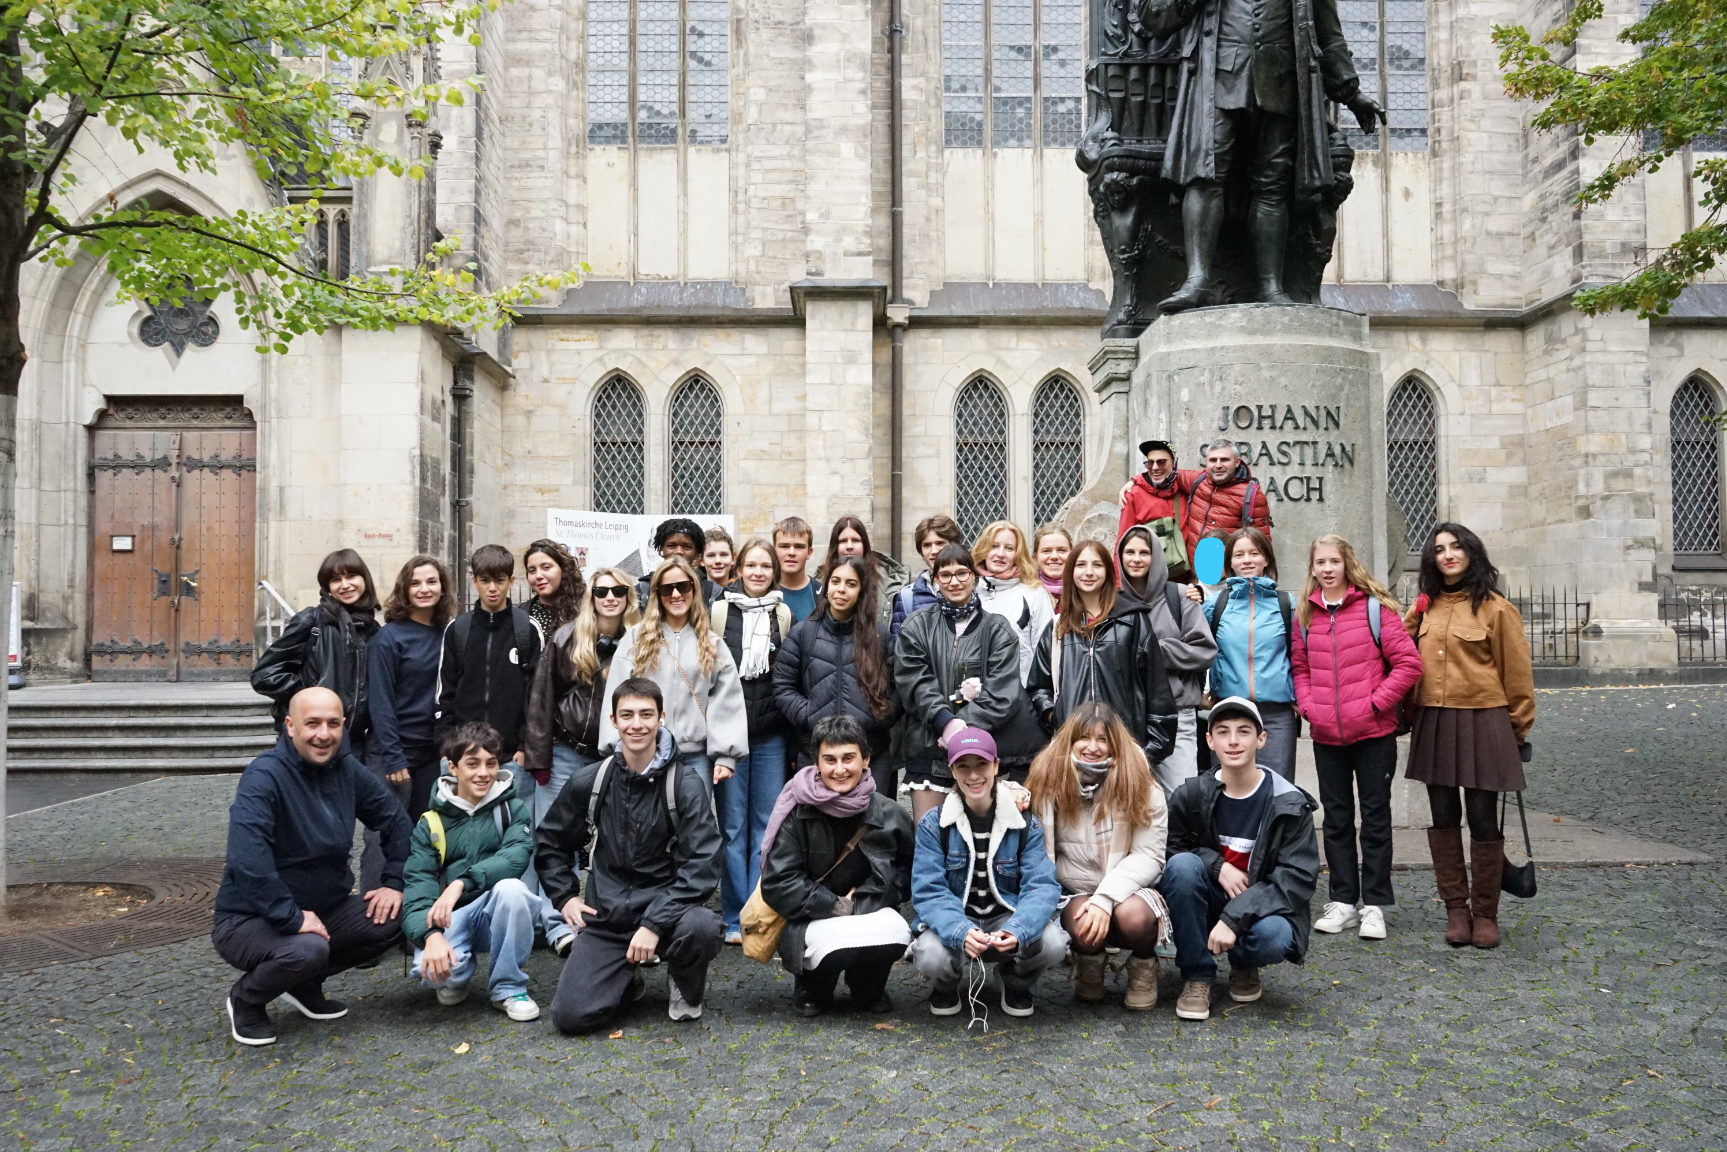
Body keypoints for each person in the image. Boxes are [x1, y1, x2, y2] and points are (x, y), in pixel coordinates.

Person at [212, 687, 410, 1047]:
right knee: (306, 949)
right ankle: (247, 998)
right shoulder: (264, 777)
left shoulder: (348, 770)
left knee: (400, 914)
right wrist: (292, 918)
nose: (324, 734)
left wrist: (393, 881)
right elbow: (247, 860)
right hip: (249, 919)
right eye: (312, 723)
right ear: (290, 726)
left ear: (344, 726)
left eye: (333, 724)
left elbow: (396, 821)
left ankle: (302, 985)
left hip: (325, 909)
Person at [536, 678, 724, 1033]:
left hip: (670, 915)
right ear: (614, 720)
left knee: (703, 927)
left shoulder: (683, 784)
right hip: (608, 916)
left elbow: (703, 863)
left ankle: (684, 984)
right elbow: (550, 841)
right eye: (627, 715)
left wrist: (654, 924)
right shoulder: (590, 781)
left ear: (661, 718)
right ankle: (626, 981)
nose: (636, 724)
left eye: (645, 714)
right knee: (571, 1018)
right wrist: (564, 897)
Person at [1405, 522, 1535, 951]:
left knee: (1482, 819)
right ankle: (1455, 911)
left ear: (1471, 553)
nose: (1448, 554)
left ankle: (1485, 913)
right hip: (1436, 721)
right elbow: (1403, 653)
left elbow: (1517, 678)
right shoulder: (1426, 607)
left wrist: (1517, 732)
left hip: (1484, 721)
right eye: (1439, 549)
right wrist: (1414, 613)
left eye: (1456, 547)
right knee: (1443, 818)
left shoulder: (1497, 609)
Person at [1291, 534, 1422, 942]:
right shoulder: (1305, 615)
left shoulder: (1374, 609)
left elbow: (1407, 664)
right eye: (1320, 562)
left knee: (1376, 819)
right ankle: (1343, 900)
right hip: (1327, 734)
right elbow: (1300, 667)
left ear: (1347, 565)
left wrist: (1374, 705)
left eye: (1334, 561)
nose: (1327, 569)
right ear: (1312, 568)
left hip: (1373, 733)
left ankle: (1375, 905)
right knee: (1336, 819)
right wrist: (1310, 707)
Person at [1158, 697, 1318, 1022]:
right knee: (1183, 867)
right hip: (1207, 900)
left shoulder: (1288, 802)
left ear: (1261, 739)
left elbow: (1296, 878)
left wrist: (1234, 918)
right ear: (1210, 741)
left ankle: (1244, 965)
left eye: (1244, 732)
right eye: (1223, 732)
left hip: (1259, 907)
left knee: (1276, 935)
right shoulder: (1190, 795)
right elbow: (1172, 851)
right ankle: (1197, 975)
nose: (1233, 741)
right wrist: (1217, 866)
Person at [760, 715, 915, 1016]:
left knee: (896, 930)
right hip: (812, 916)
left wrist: (867, 900)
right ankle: (813, 986)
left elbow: (908, 872)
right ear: (816, 763)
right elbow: (778, 882)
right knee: (831, 948)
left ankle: (868, 987)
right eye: (829, 760)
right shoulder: (796, 812)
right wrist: (837, 906)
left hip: (869, 910)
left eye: (848, 758)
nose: (840, 769)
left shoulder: (891, 813)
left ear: (866, 760)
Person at [909, 728, 1065, 1019]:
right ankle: (945, 987)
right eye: (963, 766)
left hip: (1007, 917)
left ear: (996, 766)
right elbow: (927, 891)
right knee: (930, 952)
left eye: (981, 764)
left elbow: (1042, 886)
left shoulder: (1024, 823)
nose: (973, 775)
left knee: (1054, 942)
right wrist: (960, 930)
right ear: (952, 771)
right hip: (957, 918)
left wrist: (1019, 929)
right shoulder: (934, 824)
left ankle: (1015, 981)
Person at [1028, 703, 1169, 1010]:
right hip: (1077, 888)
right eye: (1084, 737)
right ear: (1070, 740)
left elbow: (1149, 856)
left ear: (1114, 744)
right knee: (1081, 922)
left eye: (1102, 739)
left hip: (1128, 889)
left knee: (1135, 918)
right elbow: (1039, 848)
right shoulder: (1047, 779)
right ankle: (1089, 962)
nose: (1092, 747)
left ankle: (1144, 964)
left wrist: (1105, 898)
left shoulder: (1141, 782)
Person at [522, 565, 642, 925]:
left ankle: (607, 912)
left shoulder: (640, 639)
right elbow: (541, 698)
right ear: (591, 597)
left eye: (618, 592)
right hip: (565, 750)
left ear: (628, 597)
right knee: (554, 834)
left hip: (614, 754)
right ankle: (553, 918)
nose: (610, 598)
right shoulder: (566, 637)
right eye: (602, 591)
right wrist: (538, 758)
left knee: (614, 835)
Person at [404, 722, 543, 1022]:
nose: (483, 773)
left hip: (493, 913)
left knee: (514, 890)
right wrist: (430, 936)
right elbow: (417, 885)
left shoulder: (512, 809)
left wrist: (460, 884)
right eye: (472, 764)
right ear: (453, 768)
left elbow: (516, 857)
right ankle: (459, 972)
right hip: (449, 917)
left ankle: (508, 987)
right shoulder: (430, 822)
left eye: (491, 764)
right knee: (438, 977)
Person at [894, 543, 1044, 820]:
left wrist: (963, 732)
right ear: (935, 578)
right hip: (930, 749)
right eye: (946, 575)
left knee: (984, 846)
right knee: (931, 842)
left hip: (981, 753)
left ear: (974, 576)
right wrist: (944, 722)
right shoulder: (916, 626)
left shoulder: (998, 629)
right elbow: (913, 680)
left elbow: (1002, 691)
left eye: (962, 573)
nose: (955, 581)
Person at [710, 537, 795, 944]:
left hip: (769, 735)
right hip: (729, 737)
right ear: (738, 569)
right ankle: (732, 917)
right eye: (752, 565)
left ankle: (758, 916)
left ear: (773, 572)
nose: (758, 572)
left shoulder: (783, 614)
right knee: (732, 828)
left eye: (766, 566)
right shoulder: (719, 611)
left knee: (767, 827)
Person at [1028, 540, 1179, 766]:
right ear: (1071, 572)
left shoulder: (1133, 621)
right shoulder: (1058, 628)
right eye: (1081, 565)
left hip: (1124, 752)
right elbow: (1038, 687)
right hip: (1072, 751)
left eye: (1097, 565)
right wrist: (1055, 714)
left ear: (1108, 572)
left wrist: (1147, 754)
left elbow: (1158, 692)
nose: (1089, 572)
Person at [600, 556, 748, 789]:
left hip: (695, 757)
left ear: (694, 589)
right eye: (668, 588)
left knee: (693, 823)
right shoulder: (636, 639)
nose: (676, 594)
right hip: (644, 752)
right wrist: (614, 748)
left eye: (683, 586)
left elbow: (726, 700)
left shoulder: (711, 643)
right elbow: (617, 695)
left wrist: (725, 754)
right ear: (657, 593)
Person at [361, 555, 457, 891]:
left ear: (442, 587)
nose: (424, 589)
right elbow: (381, 701)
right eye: (416, 583)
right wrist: (393, 756)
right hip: (392, 751)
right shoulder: (389, 638)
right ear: (405, 589)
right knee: (384, 834)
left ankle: (419, 907)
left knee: (428, 833)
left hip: (431, 753)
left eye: (431, 581)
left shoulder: (450, 633)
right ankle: (375, 916)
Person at [774, 555, 901, 790]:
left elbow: (896, 689)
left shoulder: (880, 637)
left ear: (862, 590)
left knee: (871, 824)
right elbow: (783, 685)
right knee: (817, 825)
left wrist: (875, 718)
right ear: (826, 586)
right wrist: (810, 715)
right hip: (817, 753)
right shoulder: (803, 634)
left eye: (851, 584)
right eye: (835, 581)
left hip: (871, 753)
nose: (841, 590)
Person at [1185, 527, 1299, 779]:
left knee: (1277, 792)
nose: (1247, 560)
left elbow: (1300, 656)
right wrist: (1199, 693)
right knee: (1227, 792)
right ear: (1229, 564)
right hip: (1228, 712)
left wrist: (1299, 694)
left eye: (1254, 553)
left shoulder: (1287, 604)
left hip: (1276, 715)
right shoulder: (1215, 605)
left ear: (1266, 559)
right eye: (1239, 555)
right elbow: (1195, 652)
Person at [1117, 525, 1217, 792]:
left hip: (1176, 714)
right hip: (1126, 717)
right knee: (1132, 800)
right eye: (1129, 552)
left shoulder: (1181, 595)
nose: (1136, 559)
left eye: (1144, 552)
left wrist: (1153, 650)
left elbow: (1204, 651)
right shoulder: (1111, 601)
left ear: (1157, 557)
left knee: (1180, 794)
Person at [436, 544, 543, 778]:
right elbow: (445, 693)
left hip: (512, 757)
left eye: (500, 580)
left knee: (512, 816)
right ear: (474, 581)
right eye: (485, 580)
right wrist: (447, 746)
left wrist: (524, 745)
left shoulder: (527, 629)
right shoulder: (458, 630)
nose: (492, 588)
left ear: (511, 581)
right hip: (463, 755)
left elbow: (536, 694)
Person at [252, 549, 381, 738]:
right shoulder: (311, 621)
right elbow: (264, 675)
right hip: (309, 737)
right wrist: (309, 697)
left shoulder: (372, 629)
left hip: (353, 740)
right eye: (336, 580)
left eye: (351, 576)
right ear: (327, 586)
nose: (345, 585)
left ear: (365, 580)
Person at [972, 519, 1057, 687]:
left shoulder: (1034, 594)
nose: (1000, 554)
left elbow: (1046, 654)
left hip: (1019, 698)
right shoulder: (968, 592)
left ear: (1018, 554)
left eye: (1009, 548)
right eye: (994, 546)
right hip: (972, 699)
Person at [1118, 440, 1202, 579]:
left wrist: (1135, 478)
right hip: (1149, 579)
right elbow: (1122, 542)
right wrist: (1120, 587)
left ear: (1174, 464)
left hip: (1187, 577)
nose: (1155, 467)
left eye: (1161, 462)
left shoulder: (1186, 489)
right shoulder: (1133, 495)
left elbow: (1210, 476)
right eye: (1150, 463)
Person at [1182, 441, 1273, 555]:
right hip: (1194, 568)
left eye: (1224, 460)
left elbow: (1261, 545)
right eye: (1213, 460)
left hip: (1228, 570)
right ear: (1206, 462)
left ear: (1237, 462)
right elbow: (1169, 474)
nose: (1218, 465)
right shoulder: (1198, 480)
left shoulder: (1252, 494)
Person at [820, 514, 908, 626]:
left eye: (856, 540)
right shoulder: (819, 583)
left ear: (865, 545)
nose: (849, 546)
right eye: (843, 541)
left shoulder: (887, 584)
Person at [890, 513, 965, 641]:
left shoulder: (972, 589)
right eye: (927, 545)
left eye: (940, 543)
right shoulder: (907, 597)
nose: (934, 551)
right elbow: (899, 648)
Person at [636, 518, 714, 606]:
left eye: (687, 547)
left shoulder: (712, 592)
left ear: (696, 553)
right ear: (661, 551)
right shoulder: (642, 591)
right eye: (671, 546)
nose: (678, 551)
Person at [523, 539, 585, 640]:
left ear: (563, 569)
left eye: (546, 567)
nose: (538, 575)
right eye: (532, 570)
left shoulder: (585, 610)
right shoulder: (522, 615)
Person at [1031, 524, 1071, 608]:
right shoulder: (1025, 591)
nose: (1054, 557)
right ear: (1036, 556)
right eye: (1046, 551)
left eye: (1062, 550)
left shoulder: (1084, 590)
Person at [702, 526, 736, 599]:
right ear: (701, 560)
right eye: (711, 556)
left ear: (733, 558)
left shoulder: (743, 592)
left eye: (724, 555)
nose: (718, 561)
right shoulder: (694, 593)